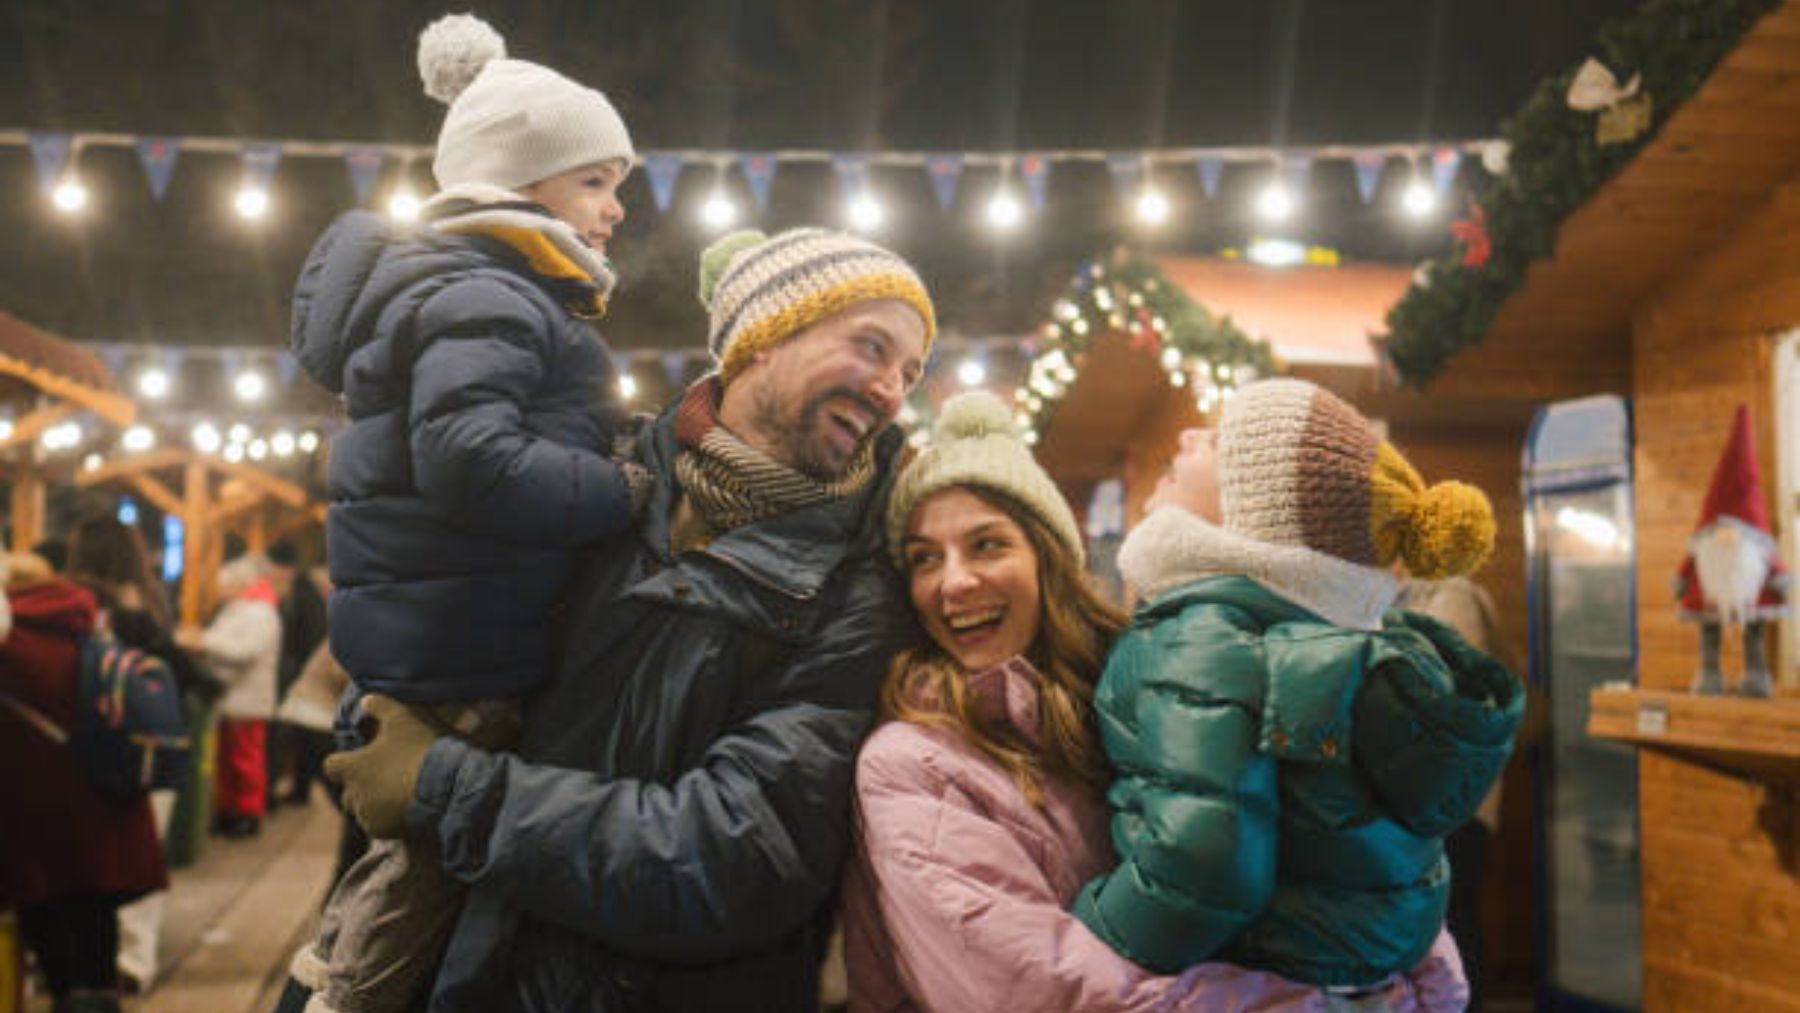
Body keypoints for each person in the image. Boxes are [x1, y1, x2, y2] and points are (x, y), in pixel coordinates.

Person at [286, 222, 935, 1013]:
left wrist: (445, 787)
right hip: (473, 970)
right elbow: (425, 613)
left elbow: (738, 856)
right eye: (871, 347)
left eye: (909, 371)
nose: (892, 389)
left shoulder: (856, 592)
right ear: (761, 339)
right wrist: (383, 723)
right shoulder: (593, 485)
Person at [843, 391, 1469, 1013]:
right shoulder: (912, 764)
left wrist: (1420, 982)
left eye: (987, 545)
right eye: (924, 559)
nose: (954, 581)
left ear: (1047, 558)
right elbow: (1040, 989)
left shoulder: (1143, 680)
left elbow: (1348, 843)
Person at [286, 12, 653, 1012]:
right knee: (424, 877)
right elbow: (469, 461)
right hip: (461, 642)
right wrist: (621, 488)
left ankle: (331, 974)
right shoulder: (483, 294)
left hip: (440, 622)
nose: (616, 209)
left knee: (402, 864)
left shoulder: (471, 288)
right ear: (512, 182)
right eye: (595, 181)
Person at [1071, 378, 1524, 1002]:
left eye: (1218, 439)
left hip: (1241, 978)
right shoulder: (1339, 645)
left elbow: (1201, 863)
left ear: (1251, 510)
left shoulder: (1201, 634)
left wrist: (1088, 935)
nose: (1187, 436)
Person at [1, 551, 166, 1013]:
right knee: (96, 907)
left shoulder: (11, 642)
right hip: (107, 793)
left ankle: (72, 998)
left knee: (47, 906)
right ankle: (100, 996)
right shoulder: (89, 627)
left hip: (37, 803)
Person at [63, 515, 219, 994]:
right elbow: (186, 677)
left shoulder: (75, 606)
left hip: (86, 747)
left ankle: (94, 966)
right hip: (145, 748)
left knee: (90, 859)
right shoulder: (145, 609)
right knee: (140, 851)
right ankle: (133, 960)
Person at [185, 554, 282, 840]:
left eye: (224, 586)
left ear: (238, 585)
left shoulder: (259, 613)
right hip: (232, 698)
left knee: (245, 760)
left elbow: (245, 651)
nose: (220, 591)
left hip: (246, 699)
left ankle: (248, 813)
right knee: (228, 761)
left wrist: (203, 642)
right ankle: (230, 811)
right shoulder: (238, 610)